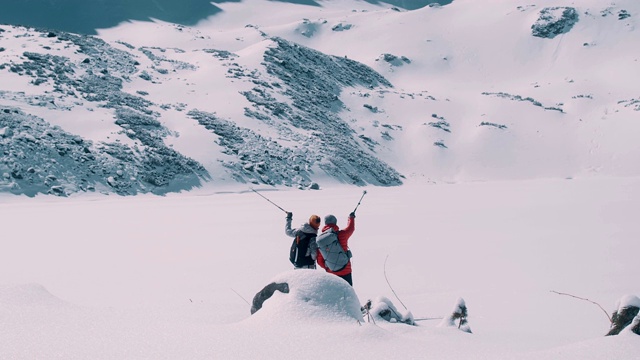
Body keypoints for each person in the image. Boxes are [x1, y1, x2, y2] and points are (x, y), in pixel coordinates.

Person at [317, 212, 356, 286]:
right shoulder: (342, 234)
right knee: (348, 294)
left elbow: (319, 260)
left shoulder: (321, 240)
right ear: (335, 222)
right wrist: (351, 218)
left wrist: (329, 266)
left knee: (335, 295)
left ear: (325, 223)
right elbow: (351, 228)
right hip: (345, 270)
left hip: (331, 273)